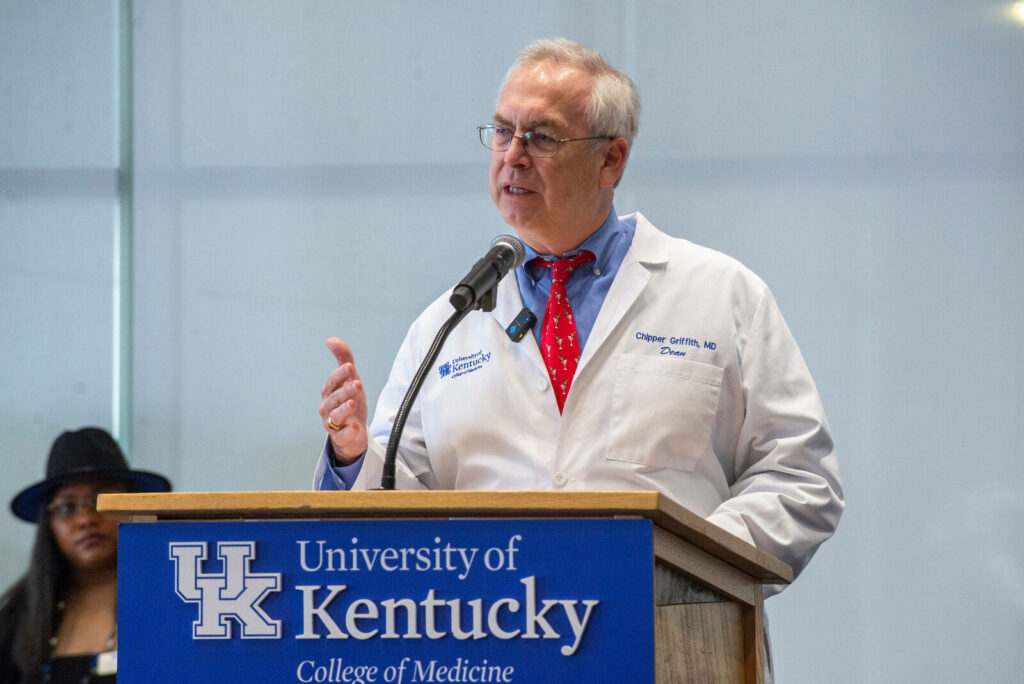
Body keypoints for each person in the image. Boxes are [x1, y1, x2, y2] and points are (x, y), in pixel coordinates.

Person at [315, 37, 842, 596]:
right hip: (496, 638)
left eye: (541, 137)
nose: (512, 155)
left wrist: (687, 568)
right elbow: (398, 515)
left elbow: (800, 480)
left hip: (671, 635)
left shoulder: (723, 294)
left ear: (611, 158)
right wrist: (353, 456)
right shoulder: (447, 322)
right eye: (501, 131)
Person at [0, 427, 171, 684]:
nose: (86, 519)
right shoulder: (15, 618)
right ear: (49, 523)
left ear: (133, 507)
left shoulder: (174, 600)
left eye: (102, 501)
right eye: (68, 507)